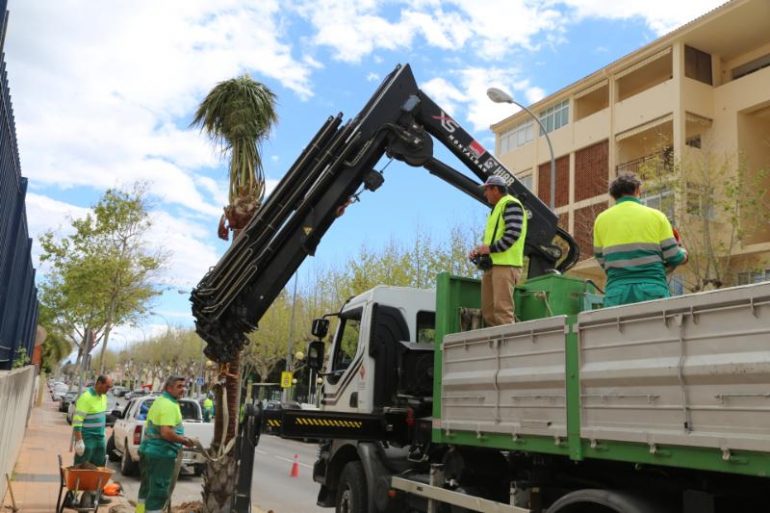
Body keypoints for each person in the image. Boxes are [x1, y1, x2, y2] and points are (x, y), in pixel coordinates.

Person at [593, 172, 688, 307]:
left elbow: (601, 259)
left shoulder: (601, 220)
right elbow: (673, 256)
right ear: (637, 190)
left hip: (617, 292)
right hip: (652, 289)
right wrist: (683, 254)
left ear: (613, 195)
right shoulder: (657, 216)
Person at [468, 175, 527, 326]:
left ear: (495, 189)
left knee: (502, 311)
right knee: (488, 312)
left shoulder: (511, 204)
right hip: (493, 265)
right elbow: (495, 240)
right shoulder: (496, 209)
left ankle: (510, 341)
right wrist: (480, 251)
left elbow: (513, 234)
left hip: (506, 265)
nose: (485, 194)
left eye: (486, 190)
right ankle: (497, 341)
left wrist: (490, 249)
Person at [136, 376, 194, 513]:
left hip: (149, 450)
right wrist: (184, 441)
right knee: (158, 492)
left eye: (184, 386)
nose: (183, 389)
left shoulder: (160, 401)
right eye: (179, 386)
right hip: (161, 453)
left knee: (146, 488)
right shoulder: (169, 405)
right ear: (169, 388)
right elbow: (166, 432)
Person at [72, 374, 113, 466]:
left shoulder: (104, 397)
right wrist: (79, 441)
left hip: (100, 439)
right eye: (107, 386)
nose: (108, 389)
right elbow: (77, 421)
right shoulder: (86, 398)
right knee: (82, 466)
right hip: (88, 439)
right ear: (99, 383)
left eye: (110, 387)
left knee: (99, 465)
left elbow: (101, 416)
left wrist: (102, 431)